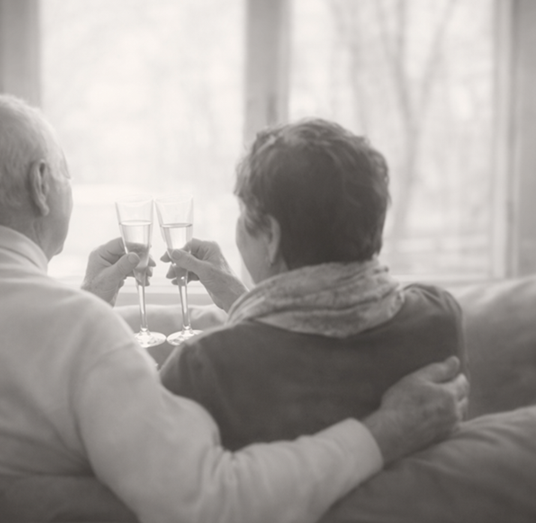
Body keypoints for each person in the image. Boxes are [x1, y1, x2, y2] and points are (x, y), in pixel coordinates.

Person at [0, 95, 469, 523]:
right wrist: (384, 432)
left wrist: (85, 304)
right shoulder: (82, 330)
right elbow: (214, 508)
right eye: (63, 173)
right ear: (41, 185)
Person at [159, 119, 467, 450]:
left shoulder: (205, 368)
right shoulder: (438, 319)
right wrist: (239, 300)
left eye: (243, 212)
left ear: (272, 238)